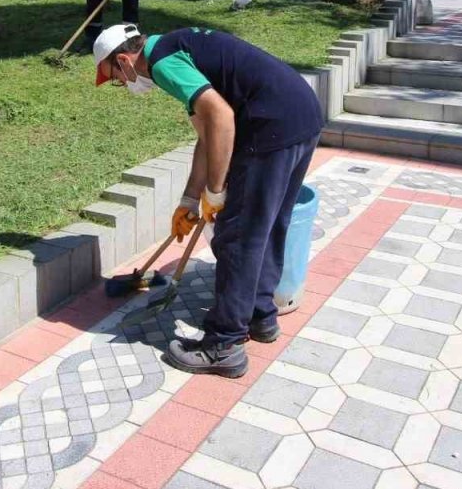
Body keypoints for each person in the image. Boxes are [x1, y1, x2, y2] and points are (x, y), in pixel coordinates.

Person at [93, 23, 324, 379]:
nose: (121, 85)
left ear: (124, 61)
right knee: (269, 222)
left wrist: (216, 192)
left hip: (270, 125)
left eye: (115, 78)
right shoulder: (176, 45)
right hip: (300, 115)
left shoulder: (163, 63)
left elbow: (221, 117)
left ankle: (224, 345)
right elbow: (207, 132)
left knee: (238, 237)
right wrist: (190, 198)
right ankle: (261, 316)